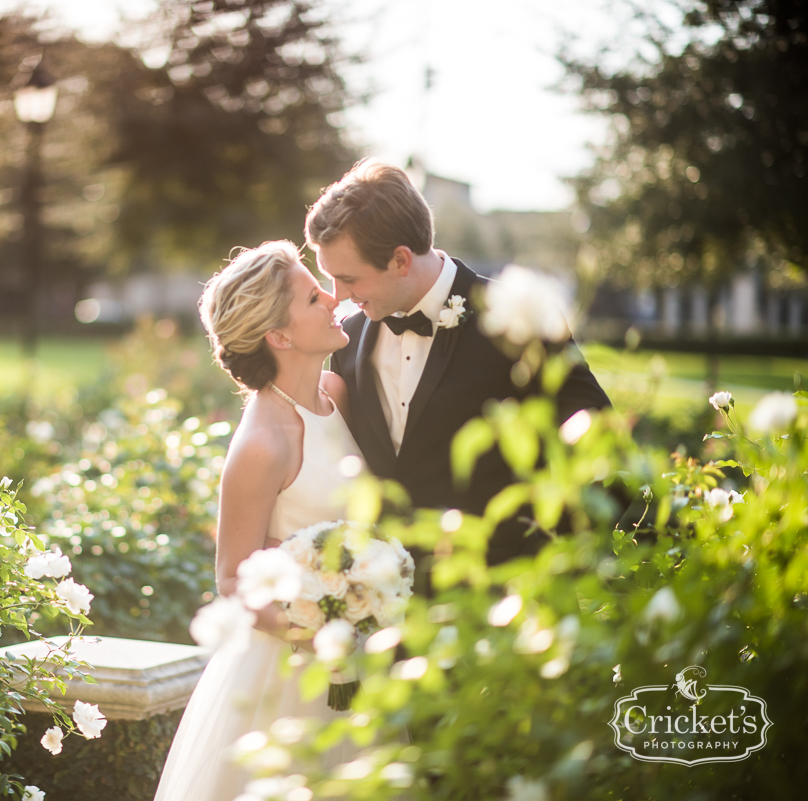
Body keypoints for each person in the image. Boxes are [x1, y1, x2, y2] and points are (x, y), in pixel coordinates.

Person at [306, 159, 611, 574]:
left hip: (506, 597)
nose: (337, 296)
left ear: (400, 260)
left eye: (348, 278)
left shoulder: (516, 318)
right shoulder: (347, 340)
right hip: (390, 602)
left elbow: (596, 436)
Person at [154, 240, 360, 801]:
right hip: (290, 674)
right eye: (315, 296)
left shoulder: (336, 394)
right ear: (280, 336)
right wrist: (323, 633)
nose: (333, 297)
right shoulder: (262, 442)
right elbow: (231, 582)